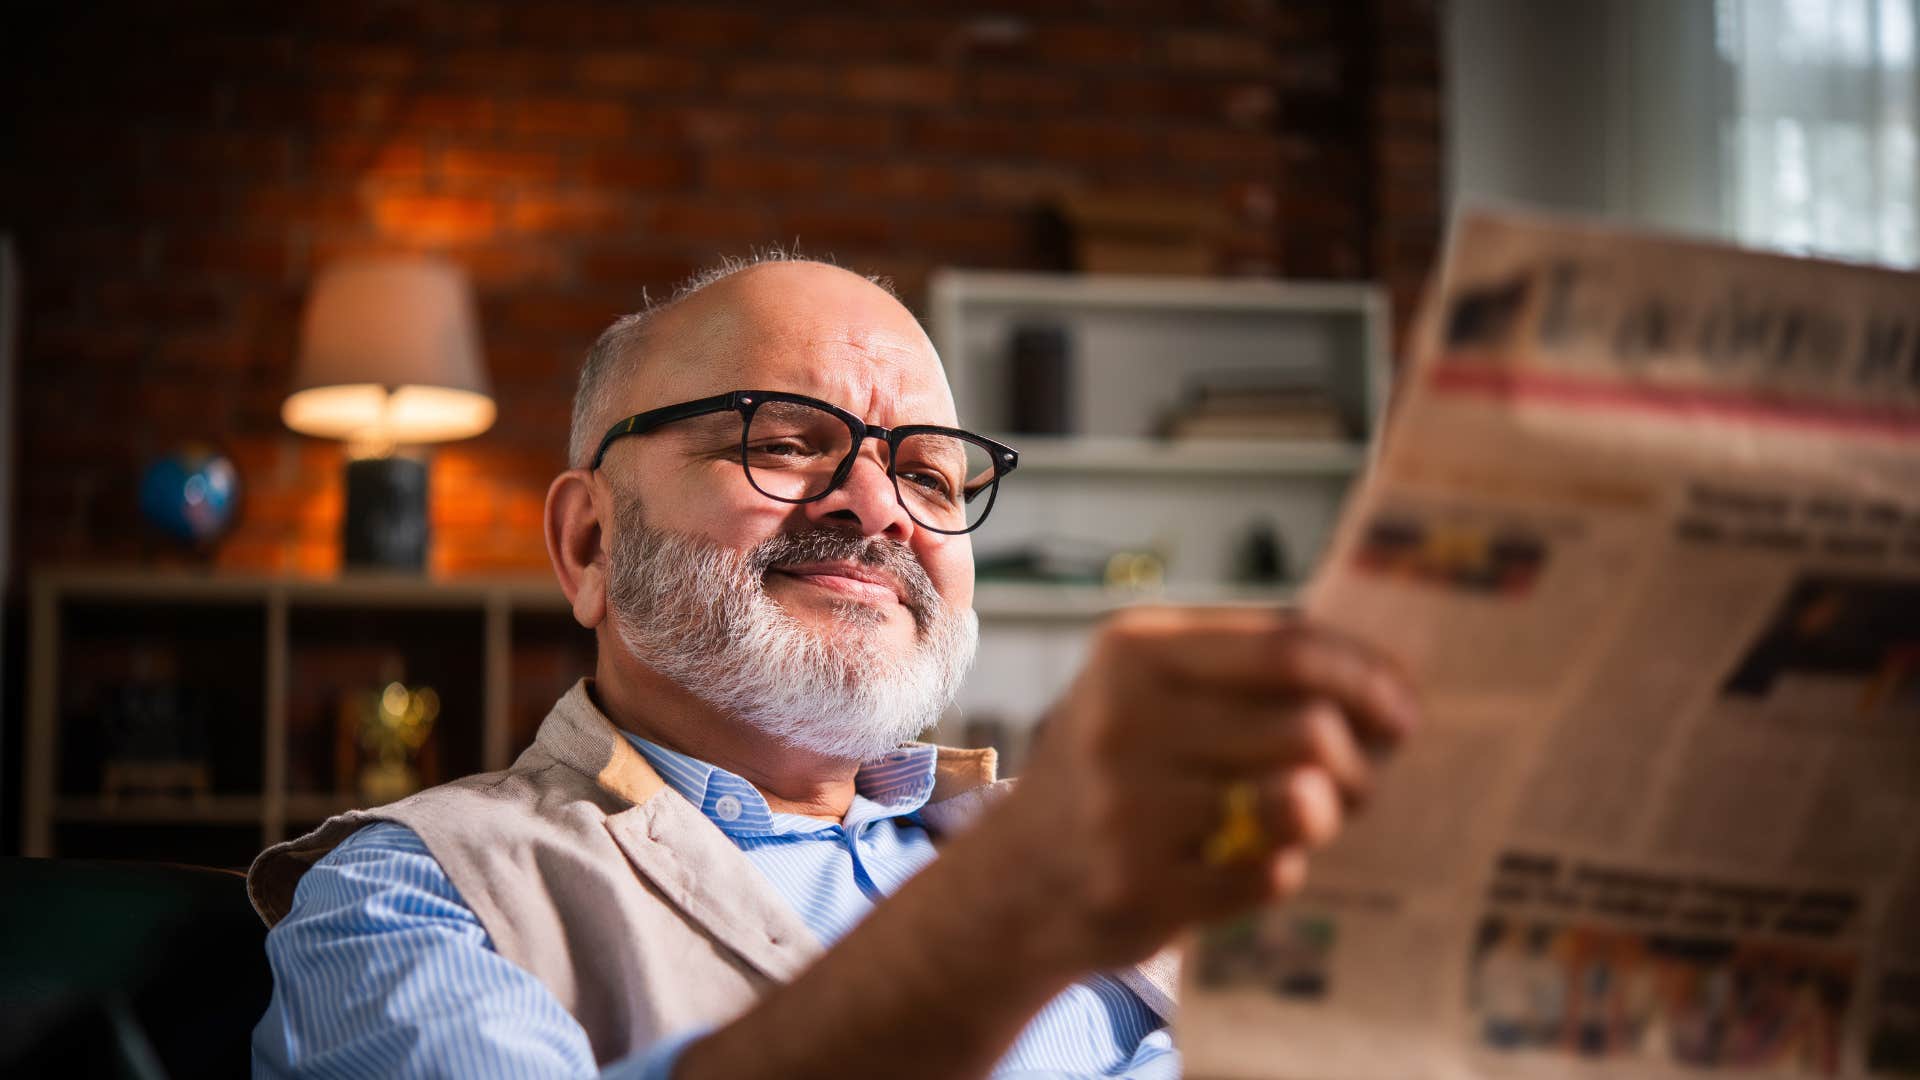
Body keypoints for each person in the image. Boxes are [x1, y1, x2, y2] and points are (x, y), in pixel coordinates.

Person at [247, 253, 1422, 1078]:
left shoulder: (1145, 849)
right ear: (591, 543)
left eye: (929, 475)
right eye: (784, 442)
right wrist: (1010, 907)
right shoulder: (416, 895)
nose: (878, 507)